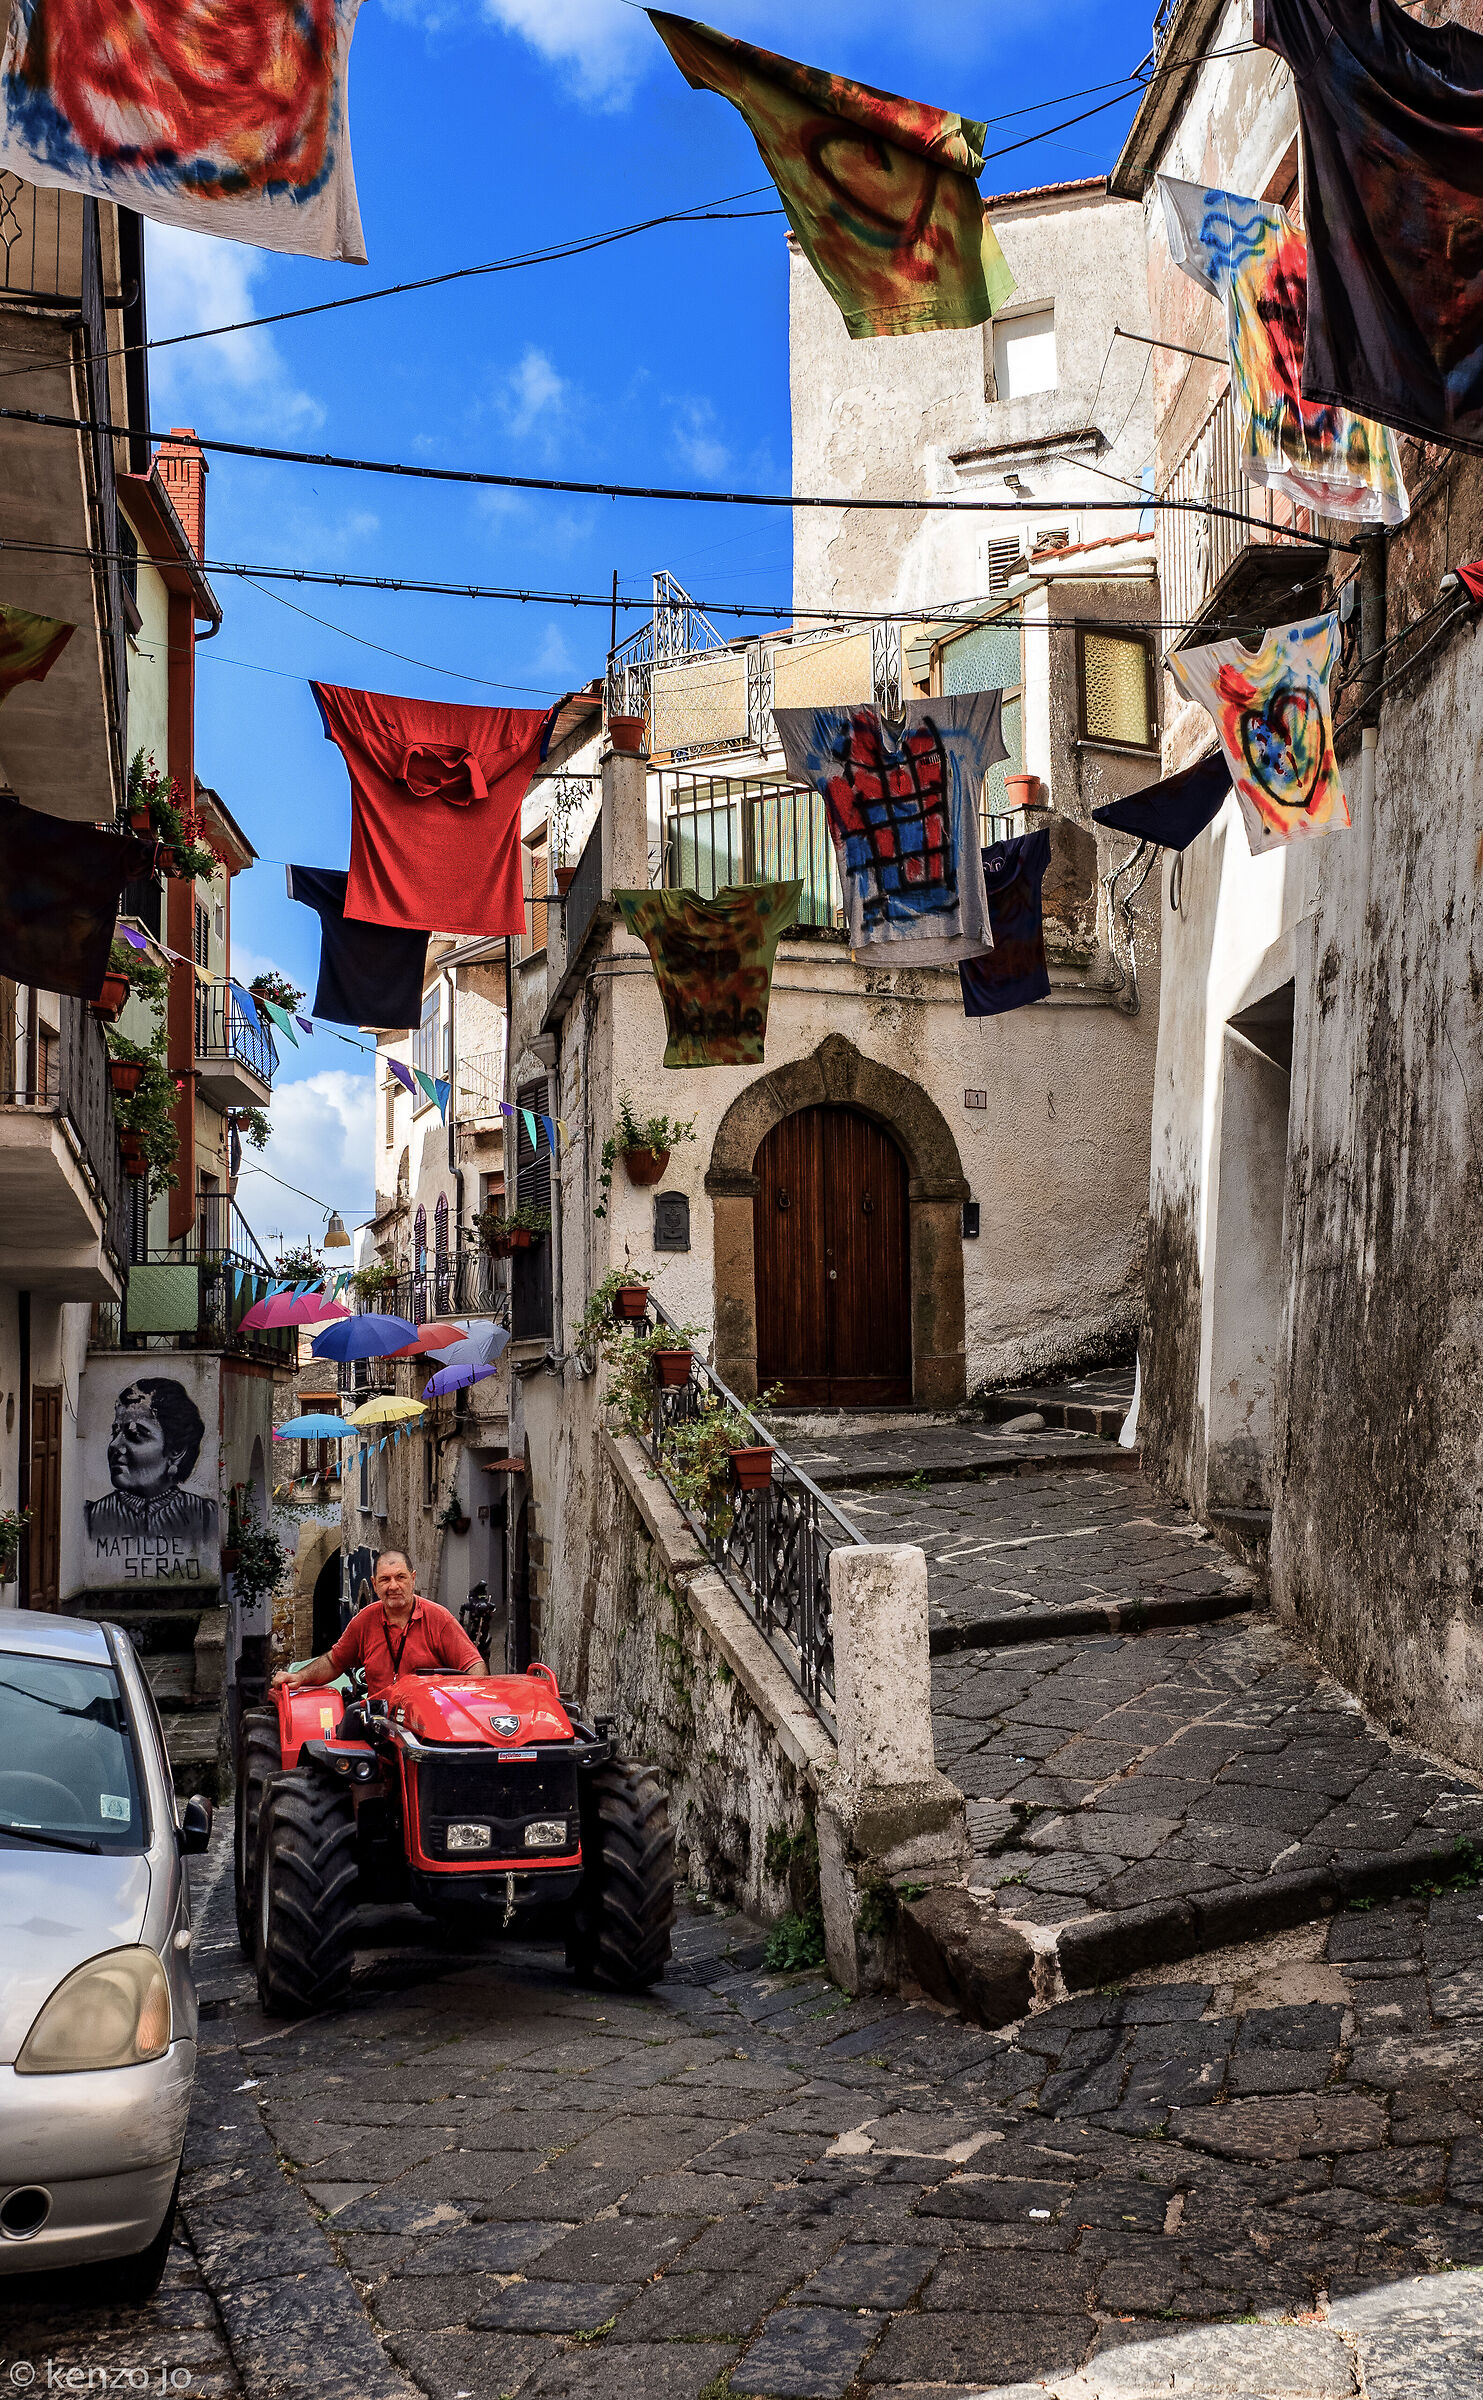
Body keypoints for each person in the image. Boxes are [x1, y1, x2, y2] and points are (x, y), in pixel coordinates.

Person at [273, 1549, 482, 1702]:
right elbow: (334, 1661)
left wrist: (468, 1704)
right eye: (385, 1579)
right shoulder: (364, 1621)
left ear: (413, 1578)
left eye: (400, 1577)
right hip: (379, 1724)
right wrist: (299, 1677)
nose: (393, 1586)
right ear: (374, 1584)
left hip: (428, 1722)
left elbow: (474, 1667)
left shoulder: (438, 1618)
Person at [85, 1376, 219, 1547]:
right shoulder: (91, 1515)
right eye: (115, 1433)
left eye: (135, 1435)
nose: (115, 1445)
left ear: (176, 1451)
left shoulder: (204, 1515)